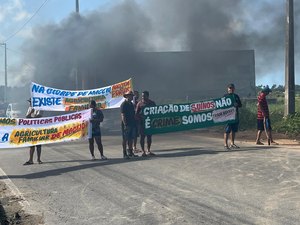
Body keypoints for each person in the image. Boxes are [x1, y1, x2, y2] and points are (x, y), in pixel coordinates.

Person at [136, 91, 156, 156]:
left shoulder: (152, 103)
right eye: (142, 96)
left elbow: (156, 112)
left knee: (149, 137)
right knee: (142, 137)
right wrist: (140, 119)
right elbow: (136, 114)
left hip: (149, 123)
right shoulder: (139, 103)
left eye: (144, 96)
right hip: (142, 123)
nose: (143, 97)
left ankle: (148, 150)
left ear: (147, 96)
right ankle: (143, 151)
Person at [24, 99, 43, 165]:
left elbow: (39, 116)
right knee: (32, 145)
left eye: (30, 102)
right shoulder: (30, 108)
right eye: (29, 102)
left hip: (38, 128)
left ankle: (38, 159)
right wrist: (31, 112)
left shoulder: (39, 108)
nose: (30, 103)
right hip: (31, 128)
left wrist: (32, 116)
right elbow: (27, 117)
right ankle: (31, 160)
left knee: (38, 145)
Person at [223, 83, 242, 150]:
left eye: (232, 88)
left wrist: (237, 104)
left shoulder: (236, 96)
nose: (231, 89)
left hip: (235, 115)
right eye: (230, 88)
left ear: (234, 89)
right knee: (227, 130)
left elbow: (240, 105)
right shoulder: (225, 96)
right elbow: (222, 106)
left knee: (233, 130)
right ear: (227, 89)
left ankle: (232, 143)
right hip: (228, 116)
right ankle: (225, 144)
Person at [121, 90, 137, 159]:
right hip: (126, 124)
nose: (131, 97)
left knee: (131, 139)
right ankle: (124, 153)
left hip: (132, 123)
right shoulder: (123, 104)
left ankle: (130, 152)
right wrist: (125, 124)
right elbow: (123, 115)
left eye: (132, 96)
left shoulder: (131, 104)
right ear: (127, 96)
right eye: (130, 95)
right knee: (125, 139)